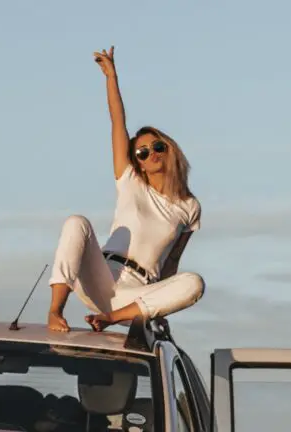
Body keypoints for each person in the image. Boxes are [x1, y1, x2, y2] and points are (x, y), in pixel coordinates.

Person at [46, 46, 205, 333]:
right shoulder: (130, 179)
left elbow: (171, 264)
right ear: (138, 163)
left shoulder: (189, 207)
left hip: (139, 293)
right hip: (101, 277)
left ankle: (111, 319)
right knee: (76, 223)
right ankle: (55, 309)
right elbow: (117, 122)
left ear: (170, 150)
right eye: (142, 152)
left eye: (157, 147)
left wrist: (161, 307)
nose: (150, 154)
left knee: (194, 282)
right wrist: (111, 77)